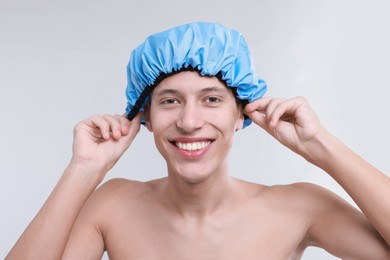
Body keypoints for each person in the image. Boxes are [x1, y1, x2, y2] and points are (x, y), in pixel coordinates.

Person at [6, 22, 390, 259]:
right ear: (146, 117)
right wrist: (83, 170)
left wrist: (322, 146)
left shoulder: (301, 207)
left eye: (211, 99)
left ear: (241, 114)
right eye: (170, 101)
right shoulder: (112, 207)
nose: (190, 122)